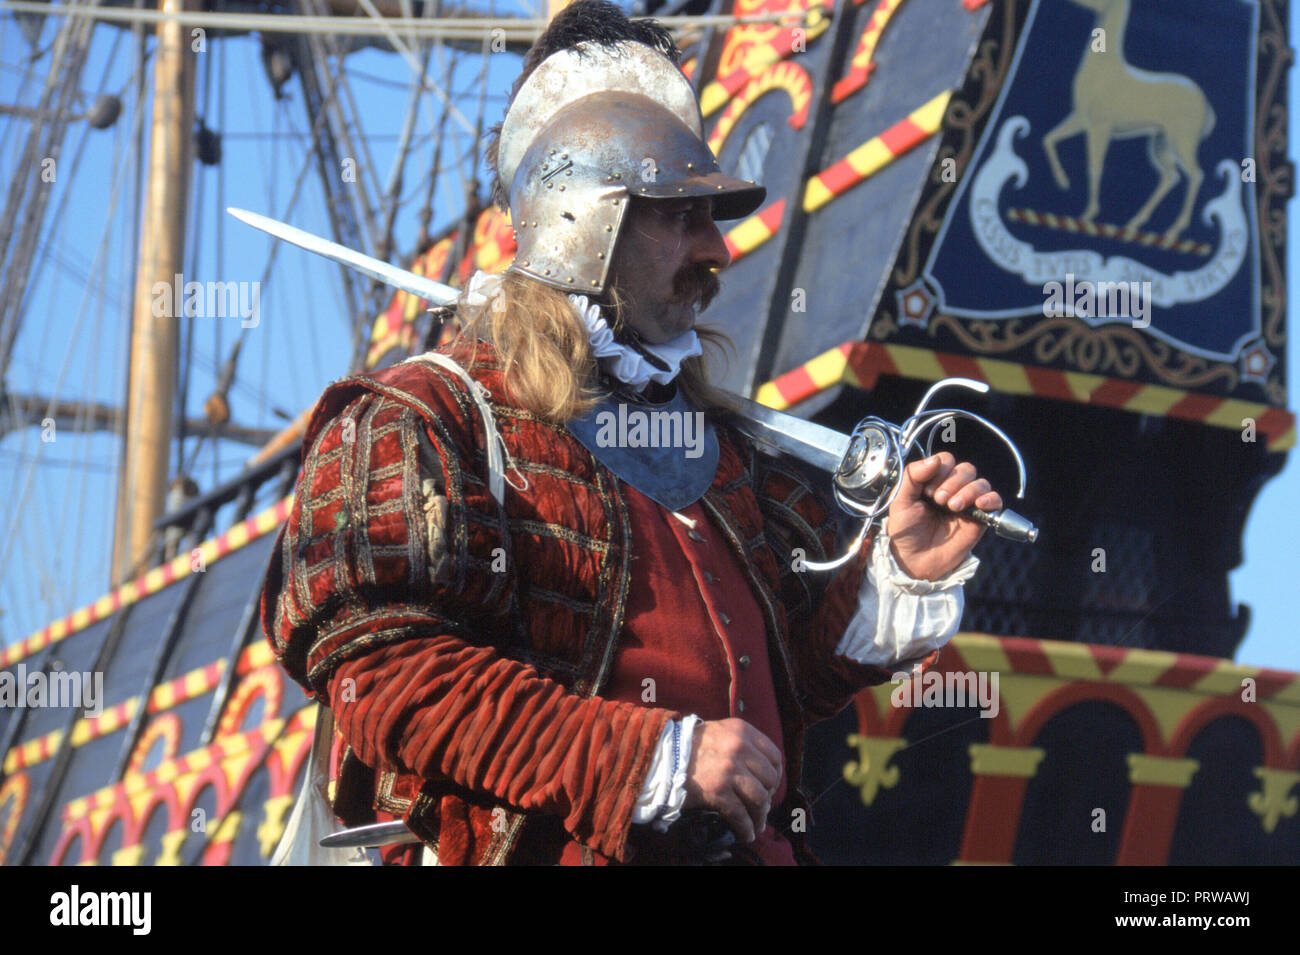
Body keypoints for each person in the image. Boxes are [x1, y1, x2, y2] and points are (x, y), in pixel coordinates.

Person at [260, 1, 1002, 866]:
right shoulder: (423, 418)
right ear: (586, 221)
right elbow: (389, 676)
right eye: (682, 216)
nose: (718, 249)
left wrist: (895, 572)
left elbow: (776, 691)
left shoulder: (719, 452)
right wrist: (649, 757)